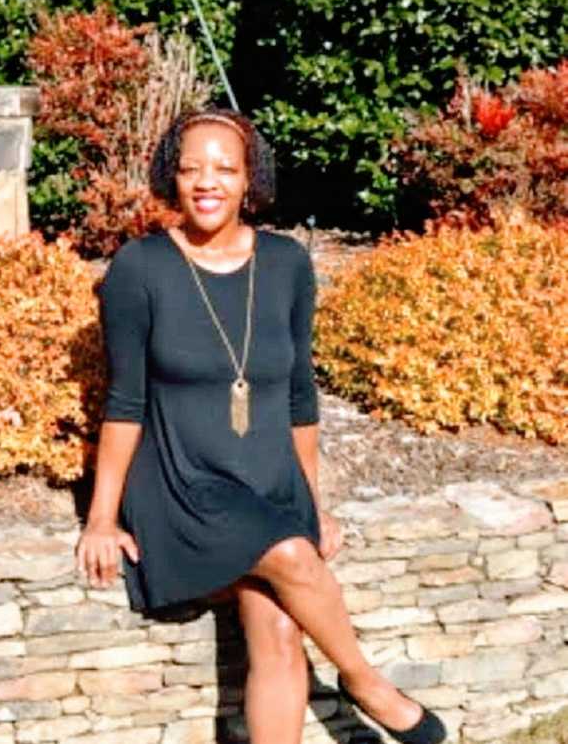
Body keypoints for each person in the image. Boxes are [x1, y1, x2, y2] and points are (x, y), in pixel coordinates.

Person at [74, 108, 447, 744]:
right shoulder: (140, 268)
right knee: (294, 559)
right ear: (172, 177)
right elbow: (126, 400)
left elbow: (300, 395)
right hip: (181, 483)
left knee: (278, 629)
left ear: (250, 180)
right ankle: (364, 682)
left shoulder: (285, 264)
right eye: (191, 168)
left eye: (224, 168)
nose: (206, 182)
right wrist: (103, 517)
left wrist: (311, 502)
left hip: (268, 479)